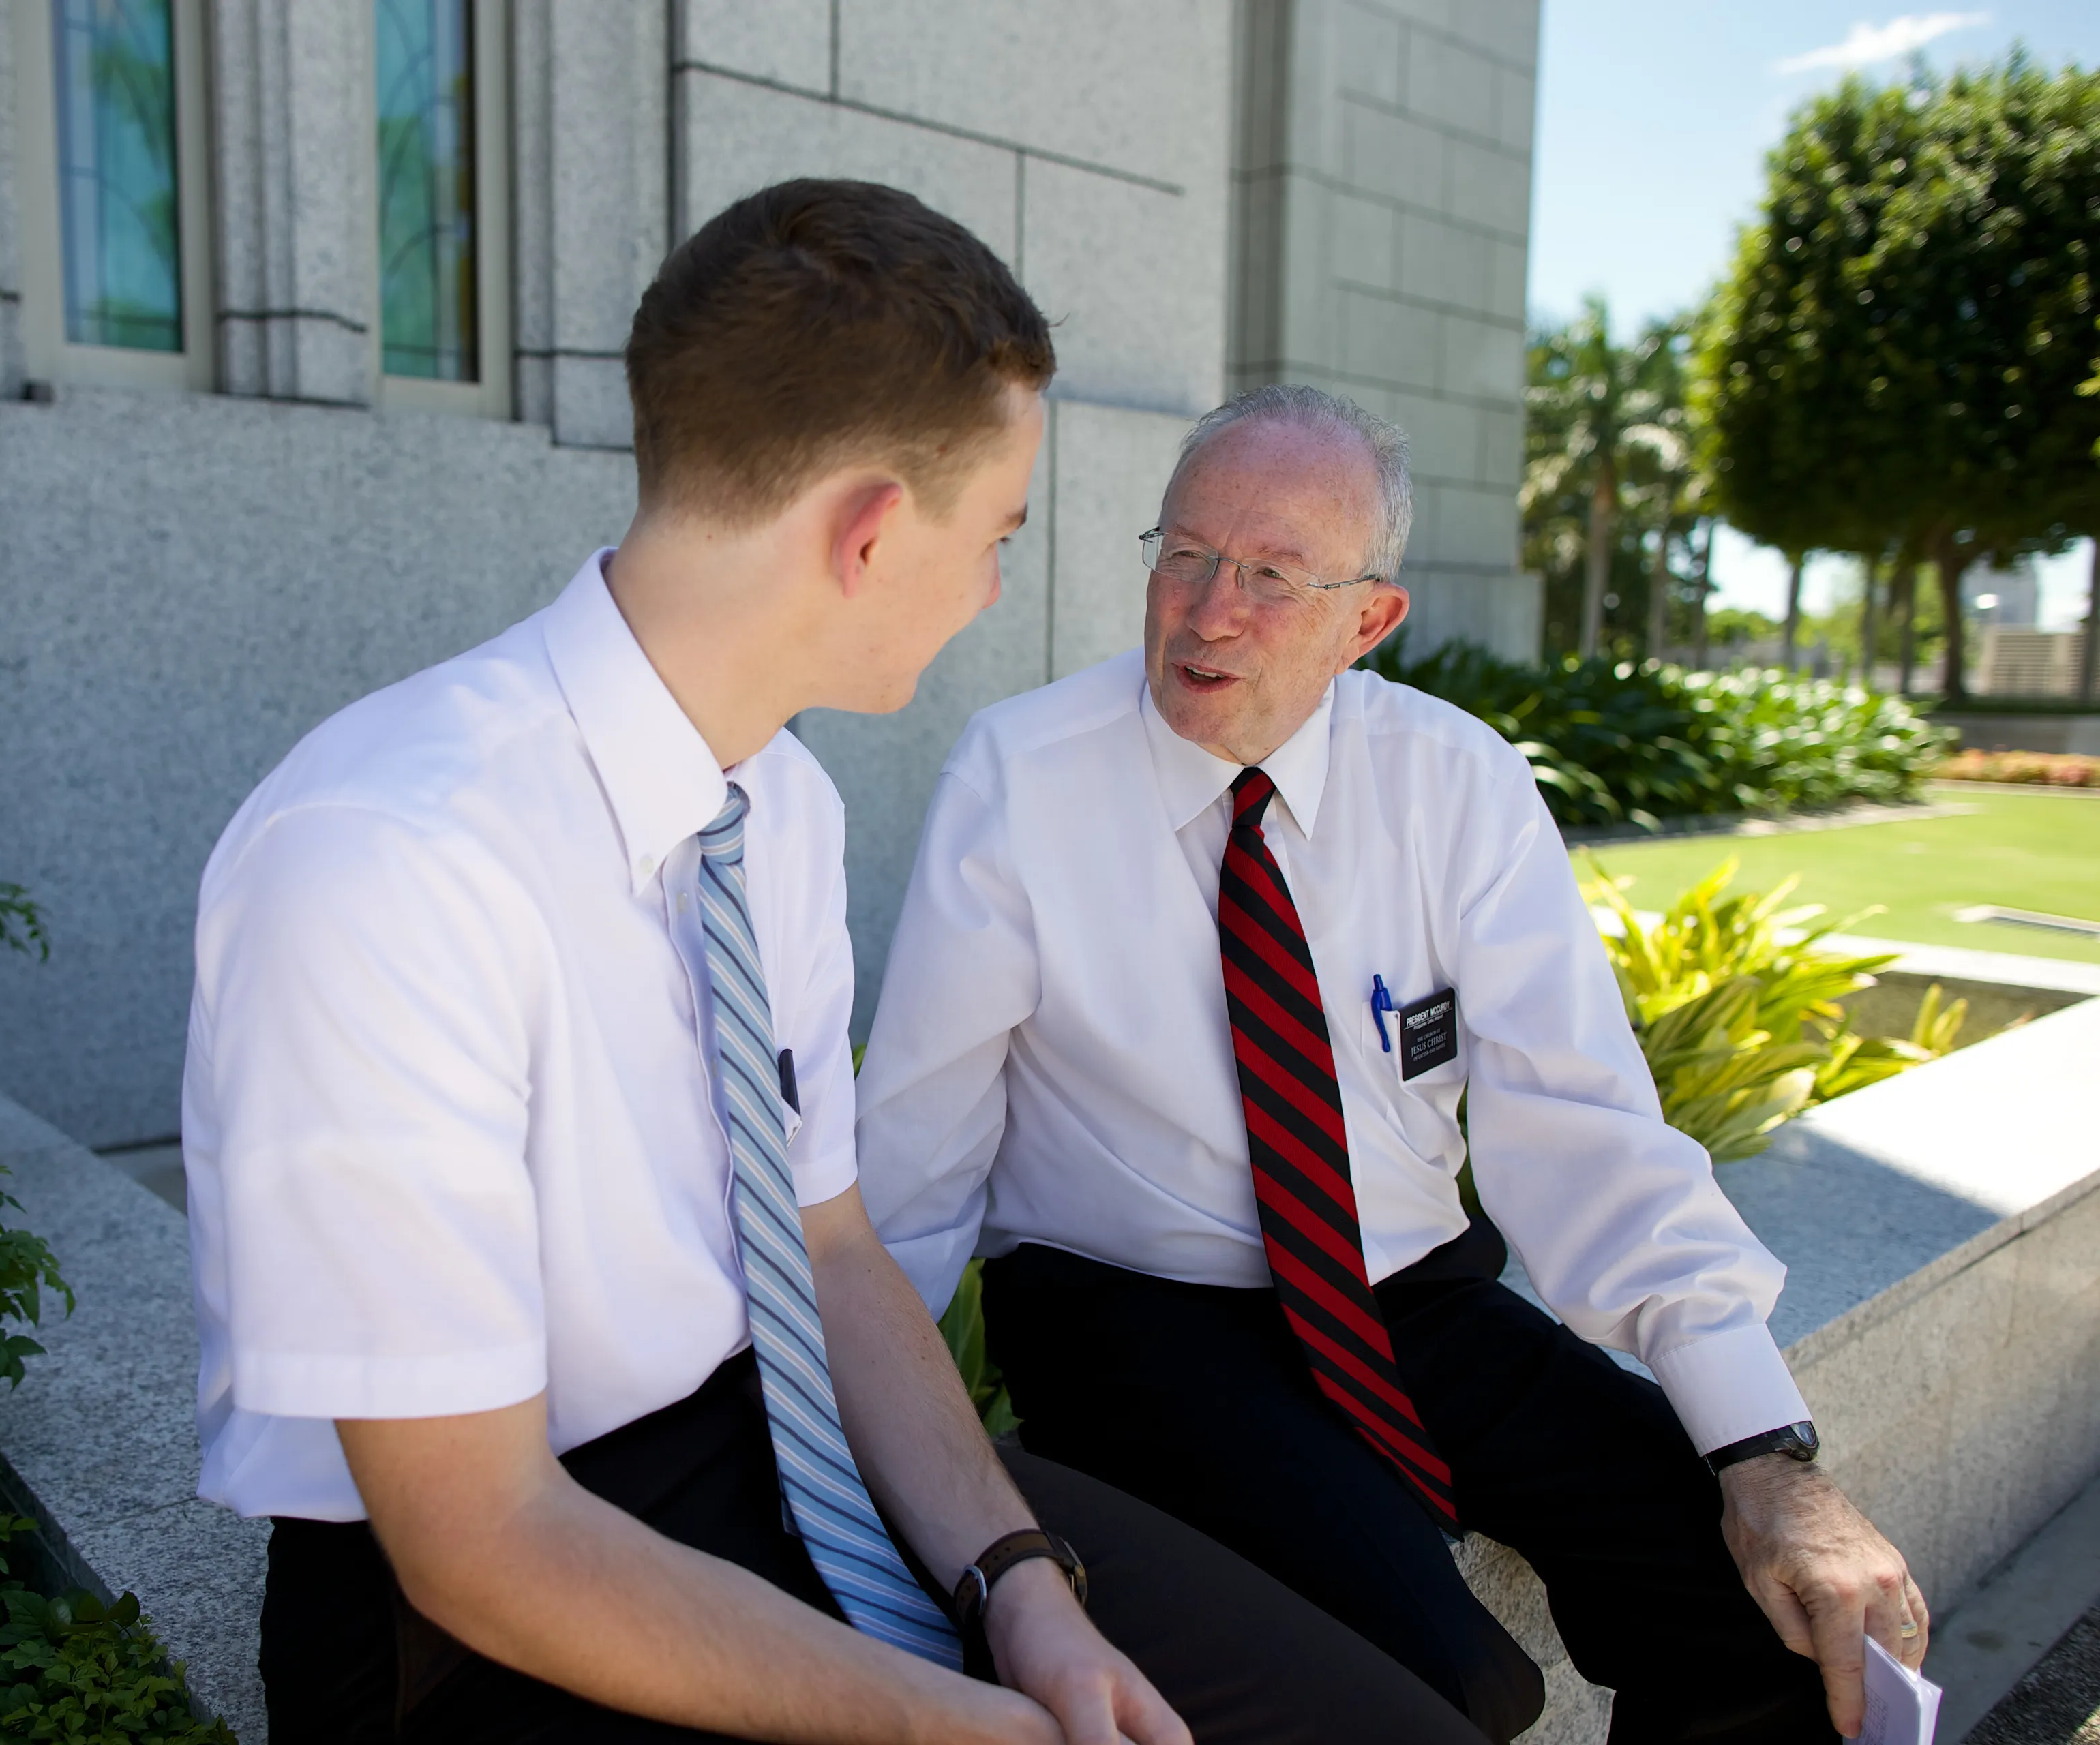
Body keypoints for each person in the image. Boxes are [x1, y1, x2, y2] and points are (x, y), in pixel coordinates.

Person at [185, 186, 1486, 1745]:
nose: (1001, 587)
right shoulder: (386, 856)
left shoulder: (777, 804)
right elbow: (478, 1541)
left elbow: (831, 1238)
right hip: (468, 1611)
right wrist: (965, 1723)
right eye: (998, 534)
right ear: (871, 533)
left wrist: (1020, 1583)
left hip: (772, 1448)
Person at [855, 384, 1930, 1745]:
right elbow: (915, 1152)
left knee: (1753, 1609)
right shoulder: (1022, 774)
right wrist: (843, 1457)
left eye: (1271, 576)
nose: (1208, 610)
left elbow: (1585, 1126)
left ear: (1371, 620)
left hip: (1412, 1299)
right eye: (1184, 553)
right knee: (1446, 1680)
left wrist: (1764, 1451)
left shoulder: (1458, 783)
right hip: (1134, 1314)